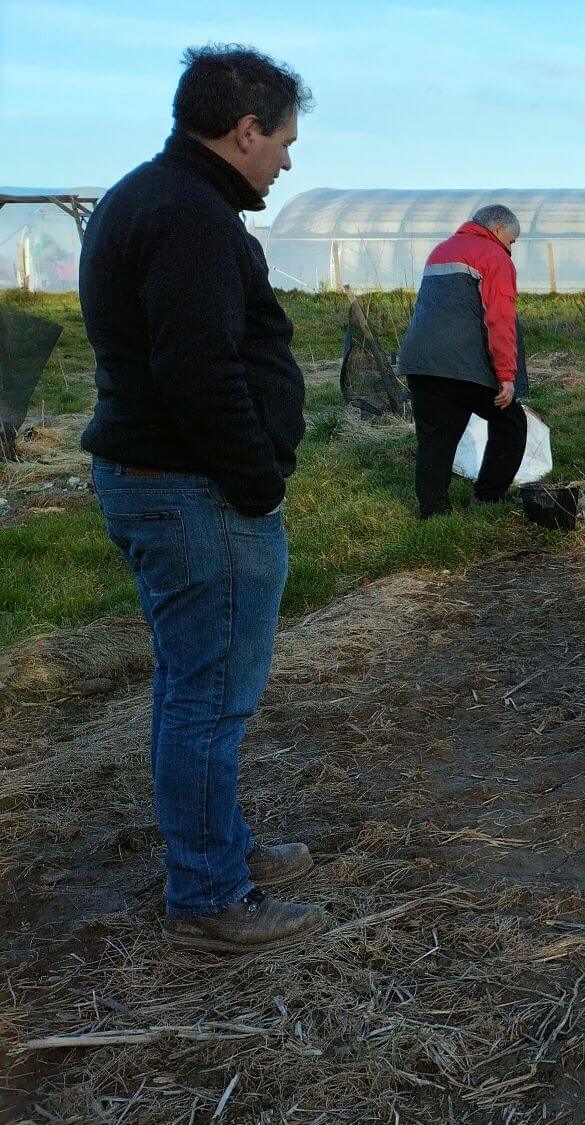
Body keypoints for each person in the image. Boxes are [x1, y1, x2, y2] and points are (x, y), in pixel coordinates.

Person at [78, 44, 323, 953]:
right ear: (244, 128)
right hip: (194, 493)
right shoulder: (189, 217)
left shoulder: (157, 196)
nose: (288, 161)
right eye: (284, 141)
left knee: (197, 689)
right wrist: (257, 482)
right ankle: (210, 896)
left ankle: (223, 850)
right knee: (207, 699)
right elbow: (199, 372)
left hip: (166, 484)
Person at [397, 204, 528, 518]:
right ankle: (487, 497)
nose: (511, 248)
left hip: (421, 362)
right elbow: (500, 319)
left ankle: (433, 511)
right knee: (511, 423)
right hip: (462, 366)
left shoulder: (440, 251)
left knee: (436, 438)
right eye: (512, 240)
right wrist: (506, 376)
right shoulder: (494, 256)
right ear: (497, 229)